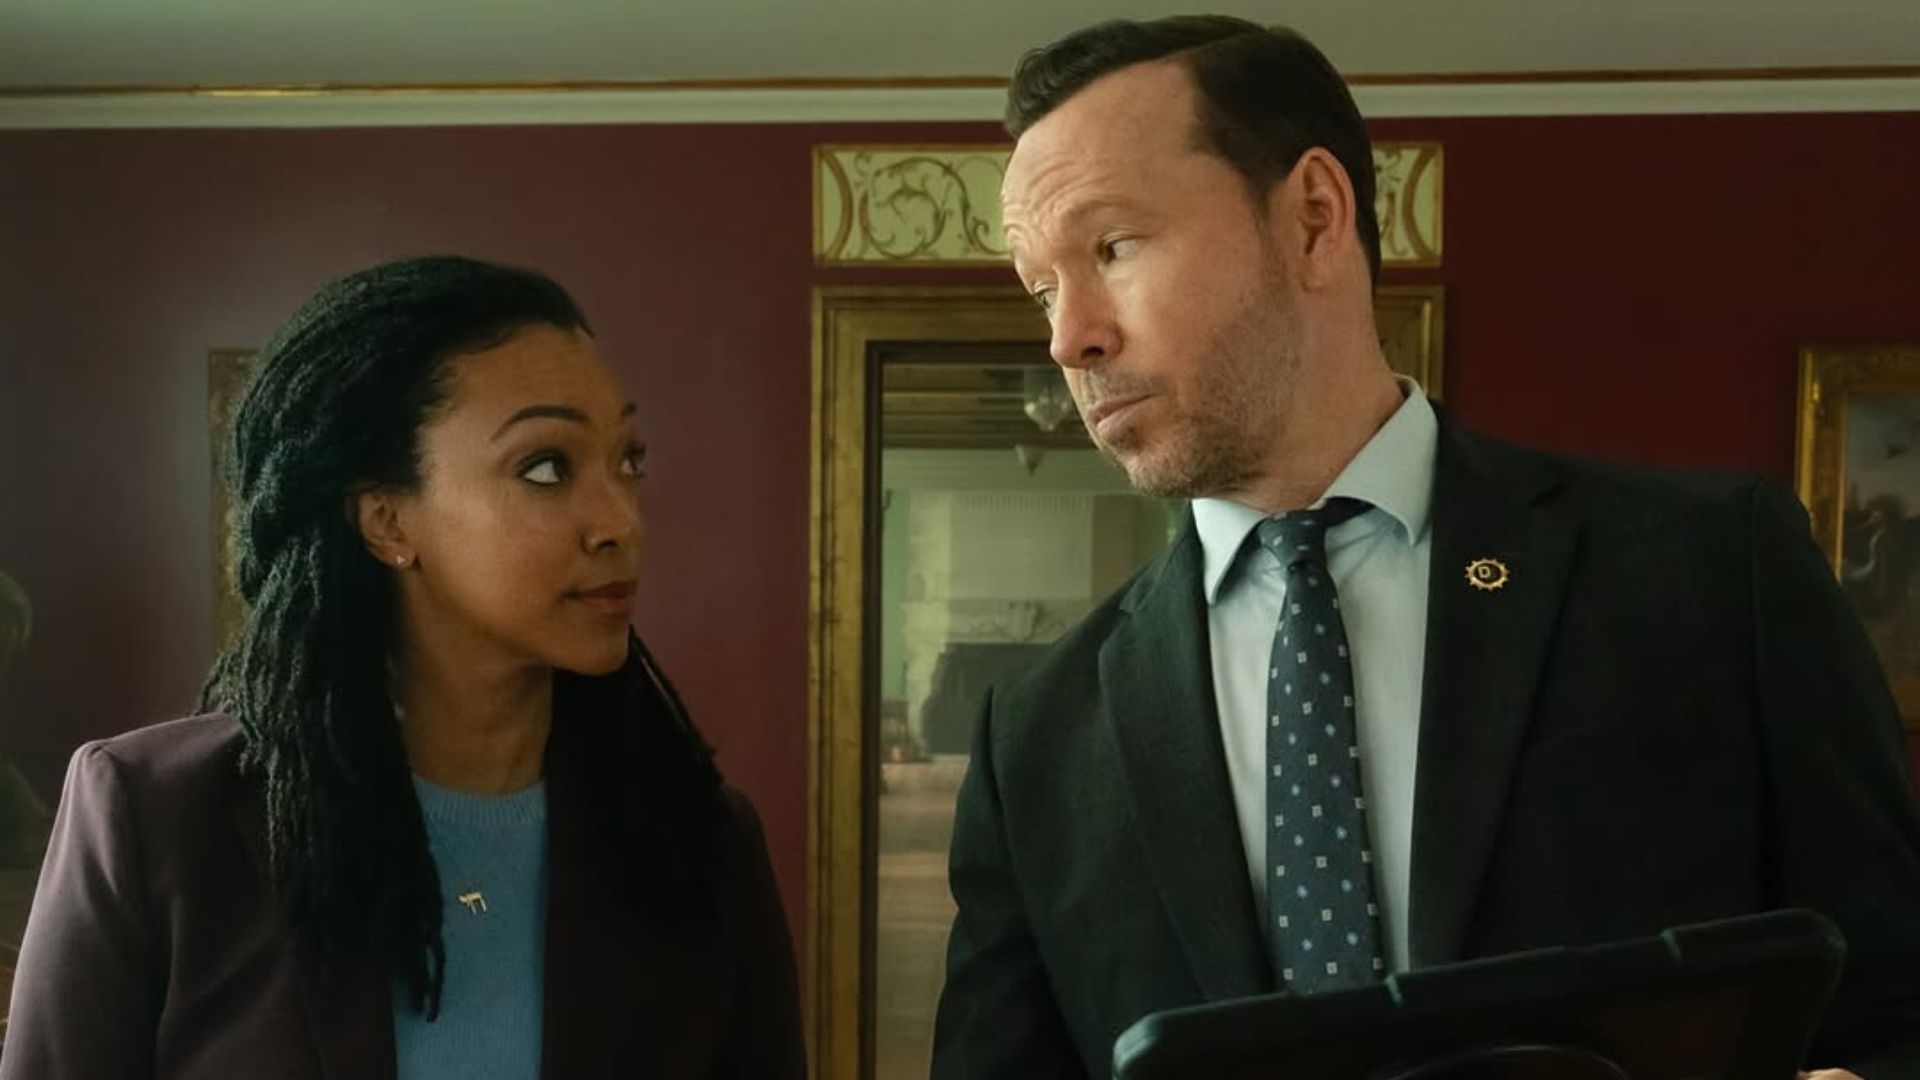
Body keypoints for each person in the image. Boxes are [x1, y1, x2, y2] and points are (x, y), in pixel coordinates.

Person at [931, 16, 1920, 1080]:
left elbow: (1895, 1001)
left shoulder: (1715, 573)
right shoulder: (1034, 739)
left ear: (1313, 217)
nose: (1067, 336)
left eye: (1113, 248)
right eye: (1043, 288)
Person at [1, 256, 805, 1079]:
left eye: (628, 460)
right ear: (387, 520)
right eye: (547, 467)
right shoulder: (157, 826)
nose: (620, 521)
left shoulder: (696, 842)